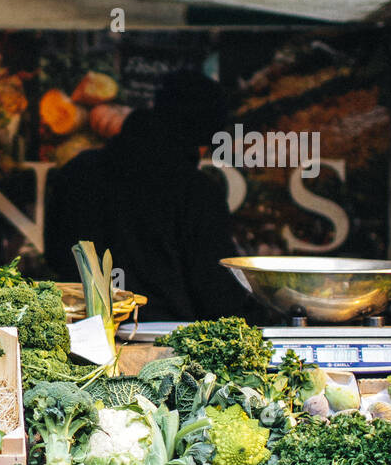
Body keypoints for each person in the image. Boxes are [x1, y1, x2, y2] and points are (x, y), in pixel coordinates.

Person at [44, 70, 249, 322]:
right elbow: (216, 291)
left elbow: (55, 255)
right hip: (167, 341)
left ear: (155, 107)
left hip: (82, 332)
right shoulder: (197, 192)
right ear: (205, 137)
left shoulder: (79, 170)